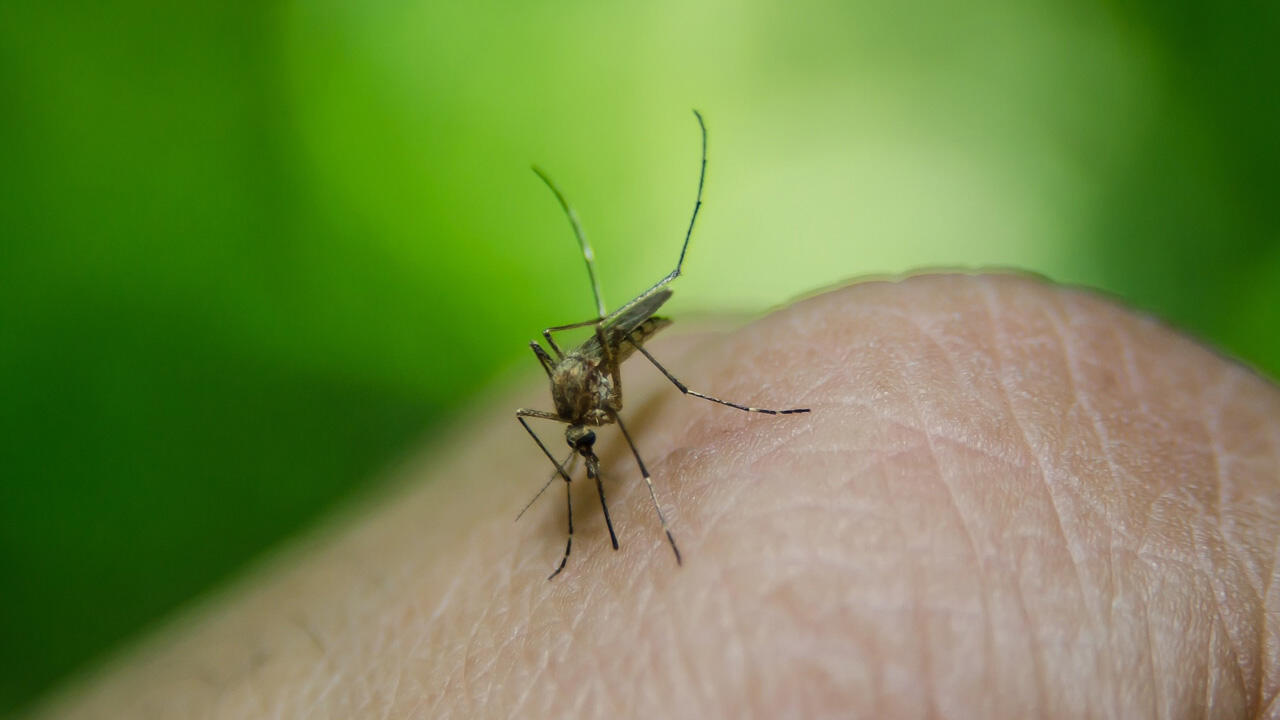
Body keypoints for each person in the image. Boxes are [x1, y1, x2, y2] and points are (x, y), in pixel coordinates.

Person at [30, 274, 1280, 718]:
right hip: (586, 382)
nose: (581, 451)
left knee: (604, 410)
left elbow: (592, 401)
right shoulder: (567, 417)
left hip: (610, 353)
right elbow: (565, 425)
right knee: (571, 425)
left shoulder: (602, 387)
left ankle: (709, 408)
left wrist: (661, 395)